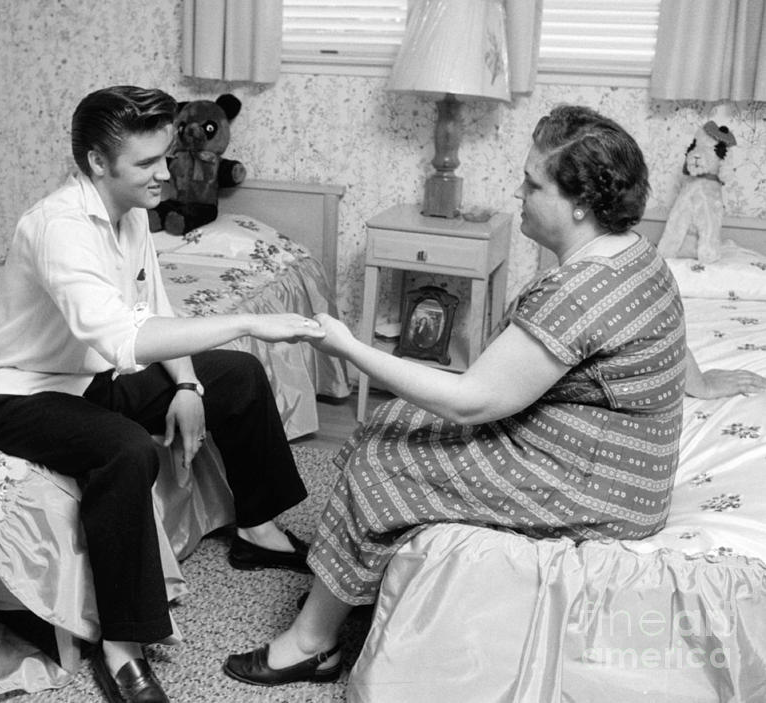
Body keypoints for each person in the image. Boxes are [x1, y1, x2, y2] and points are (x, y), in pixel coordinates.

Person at [222, 104, 766, 687]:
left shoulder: (582, 289)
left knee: (386, 456)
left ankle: (313, 644)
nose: (517, 192)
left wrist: (350, 347)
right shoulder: (635, 253)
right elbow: (664, 340)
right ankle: (355, 579)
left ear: (580, 203)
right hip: (618, 460)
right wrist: (703, 384)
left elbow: (471, 400)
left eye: (533, 184)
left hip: (599, 483)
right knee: (397, 417)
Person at [0, 85, 326, 703]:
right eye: (148, 164)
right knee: (126, 450)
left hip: (91, 375)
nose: (167, 173)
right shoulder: (57, 227)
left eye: (165, 157)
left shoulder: (131, 213)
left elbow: (153, 309)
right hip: (20, 393)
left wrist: (186, 382)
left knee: (233, 376)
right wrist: (247, 320)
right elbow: (121, 335)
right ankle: (121, 646)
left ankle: (257, 530)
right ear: (98, 164)